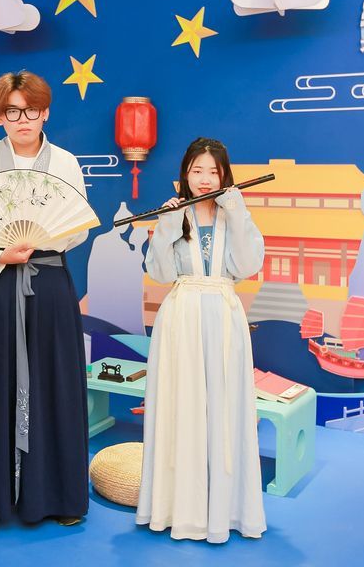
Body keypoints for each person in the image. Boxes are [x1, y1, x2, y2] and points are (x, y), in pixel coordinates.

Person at [0, 71, 91, 538]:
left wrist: (44, 239)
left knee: (54, 383)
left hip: (49, 283)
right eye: (12, 111)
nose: (23, 119)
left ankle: (60, 494)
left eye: (31, 110)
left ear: (45, 112)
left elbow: (76, 227)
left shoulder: (65, 163)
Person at [136, 137, 267, 543]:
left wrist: (238, 212)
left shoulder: (234, 213)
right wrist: (167, 224)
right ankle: (177, 510)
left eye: (214, 171)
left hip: (224, 316)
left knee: (227, 410)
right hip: (182, 316)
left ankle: (227, 511)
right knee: (181, 407)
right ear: (186, 175)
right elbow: (160, 273)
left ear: (225, 175)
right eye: (197, 171)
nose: (205, 179)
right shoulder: (174, 213)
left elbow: (247, 265)